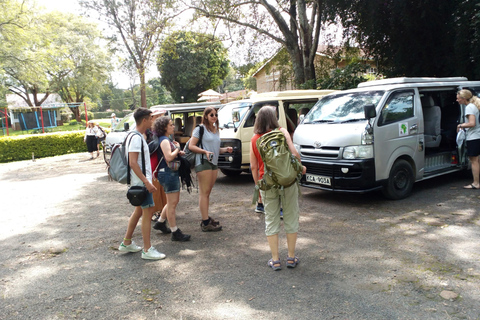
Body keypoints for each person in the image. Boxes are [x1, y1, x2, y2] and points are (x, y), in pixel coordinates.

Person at [250, 107, 306, 271]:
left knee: (271, 220)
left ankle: (275, 260)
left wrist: (258, 188)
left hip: (267, 184)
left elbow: (253, 167)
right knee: (291, 217)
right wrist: (300, 168)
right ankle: (290, 257)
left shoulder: (254, 139)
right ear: (274, 118)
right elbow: (295, 154)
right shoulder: (282, 132)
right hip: (287, 181)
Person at [118, 107, 165, 260]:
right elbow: (133, 163)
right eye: (151, 118)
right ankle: (147, 249)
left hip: (139, 182)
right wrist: (147, 182)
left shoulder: (136, 136)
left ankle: (126, 242)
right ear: (144, 120)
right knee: (148, 210)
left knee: (139, 211)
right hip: (141, 183)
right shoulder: (137, 138)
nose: (153, 121)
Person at [188, 107, 233, 231]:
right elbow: (191, 146)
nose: (214, 116)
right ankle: (205, 221)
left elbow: (215, 149)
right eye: (211, 114)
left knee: (207, 192)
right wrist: (205, 152)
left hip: (213, 163)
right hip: (203, 162)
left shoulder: (215, 130)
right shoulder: (200, 129)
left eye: (215, 114)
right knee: (204, 192)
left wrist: (225, 150)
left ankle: (206, 217)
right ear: (206, 116)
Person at [150, 116, 191, 241]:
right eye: (171, 125)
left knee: (171, 201)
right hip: (168, 173)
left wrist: (177, 152)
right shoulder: (164, 140)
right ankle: (175, 232)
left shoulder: (164, 139)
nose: (174, 126)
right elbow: (168, 157)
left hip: (167, 173)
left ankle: (161, 222)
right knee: (172, 203)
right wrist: (178, 148)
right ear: (164, 127)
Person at [456, 89, 480, 189]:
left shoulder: (469, 107)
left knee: (473, 160)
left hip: (473, 137)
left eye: (458, 98)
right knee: (477, 160)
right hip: (478, 135)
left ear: (463, 98)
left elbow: (472, 123)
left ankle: (476, 183)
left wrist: (460, 125)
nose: (457, 100)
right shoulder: (474, 105)